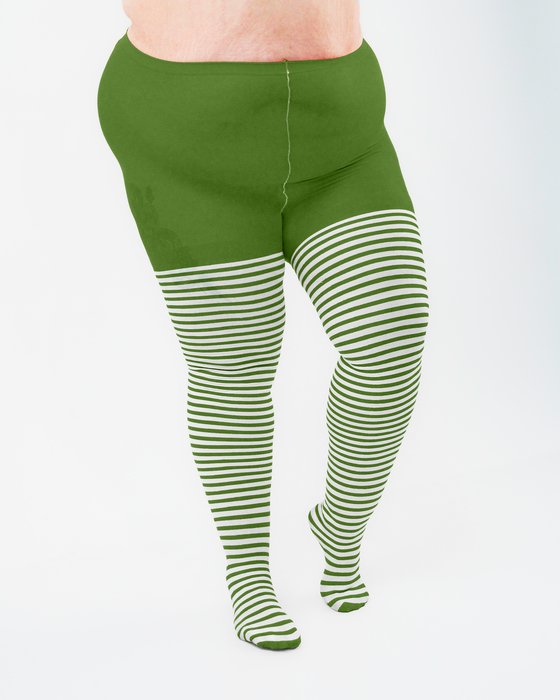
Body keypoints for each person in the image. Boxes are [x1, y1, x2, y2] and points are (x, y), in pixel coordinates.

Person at [97, 0, 430, 651]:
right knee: (234, 367)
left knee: (391, 340)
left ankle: (340, 525)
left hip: (341, 125)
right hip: (189, 136)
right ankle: (249, 575)